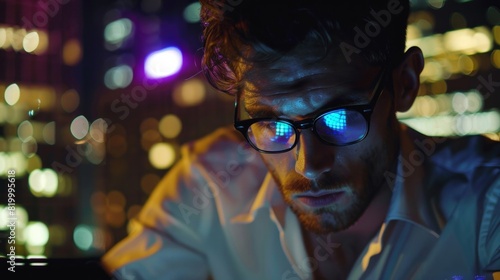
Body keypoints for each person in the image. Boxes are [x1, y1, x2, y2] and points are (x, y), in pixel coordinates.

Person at [101, 0, 500, 279]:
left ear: (405, 83)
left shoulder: (486, 199)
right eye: (272, 125)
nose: (308, 165)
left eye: (340, 118)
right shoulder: (208, 183)